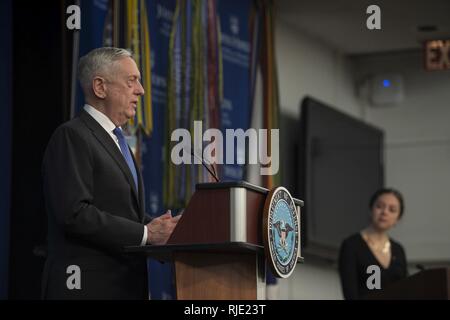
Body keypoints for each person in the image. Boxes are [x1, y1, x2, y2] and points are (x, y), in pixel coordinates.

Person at [41, 47, 180, 299]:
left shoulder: (118, 141)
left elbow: (121, 211)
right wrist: (147, 234)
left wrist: (164, 230)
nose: (141, 90)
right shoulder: (72, 136)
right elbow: (75, 214)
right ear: (100, 87)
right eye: (131, 81)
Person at [338, 188, 408, 300]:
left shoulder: (398, 250)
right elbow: (350, 293)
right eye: (380, 206)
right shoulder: (352, 245)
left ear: (397, 219)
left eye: (392, 209)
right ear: (371, 209)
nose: (385, 212)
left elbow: (405, 290)